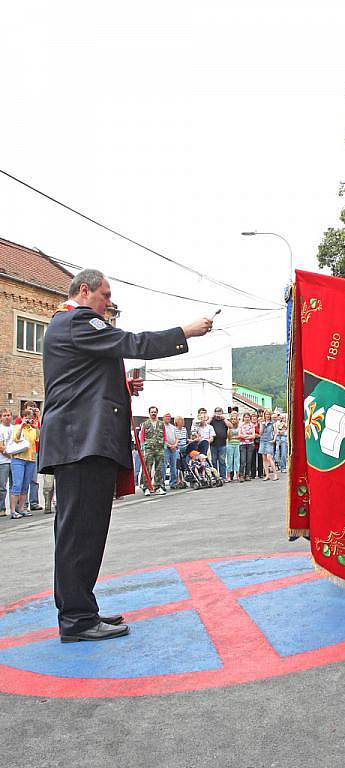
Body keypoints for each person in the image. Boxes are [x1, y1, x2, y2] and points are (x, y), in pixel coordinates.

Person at [39, 268, 212, 642]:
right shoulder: (78, 320)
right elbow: (133, 343)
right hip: (80, 444)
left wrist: (121, 384)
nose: (108, 305)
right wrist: (185, 331)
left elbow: (83, 380)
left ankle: (81, 609)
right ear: (84, 291)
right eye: (105, 296)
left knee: (81, 531)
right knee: (80, 533)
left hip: (79, 442)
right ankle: (77, 619)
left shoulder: (70, 325)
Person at [9, 407, 40, 518]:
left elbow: (38, 440)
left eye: (30, 418)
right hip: (18, 458)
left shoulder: (32, 429)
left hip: (30, 459)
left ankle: (22, 508)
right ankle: (13, 510)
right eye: (26, 417)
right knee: (17, 484)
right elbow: (16, 439)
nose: (28, 420)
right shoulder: (17, 427)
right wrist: (22, 426)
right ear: (22, 418)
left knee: (25, 485)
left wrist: (36, 427)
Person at [140, 407, 166, 496]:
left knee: (159, 468)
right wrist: (143, 445)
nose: (153, 413)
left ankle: (158, 487)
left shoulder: (161, 424)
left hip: (159, 448)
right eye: (152, 412)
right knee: (147, 468)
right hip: (149, 448)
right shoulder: (145, 424)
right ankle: (146, 487)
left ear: (157, 413)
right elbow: (142, 435)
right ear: (149, 413)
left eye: (155, 412)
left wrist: (165, 444)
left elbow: (164, 434)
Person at [209, 406, 230, 481]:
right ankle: (215, 476)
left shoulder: (224, 420)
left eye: (219, 412)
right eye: (217, 412)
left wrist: (224, 418)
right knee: (214, 461)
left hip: (222, 444)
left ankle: (223, 477)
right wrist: (212, 417)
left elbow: (230, 426)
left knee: (222, 461)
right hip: (213, 444)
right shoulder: (212, 420)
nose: (218, 414)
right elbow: (206, 424)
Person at [0, 408, 13, 516]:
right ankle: (1, 508)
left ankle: (15, 508)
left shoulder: (14, 428)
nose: (7, 417)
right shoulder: (0, 429)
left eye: (8, 415)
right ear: (1, 418)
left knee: (14, 486)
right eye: (4, 415)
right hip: (3, 461)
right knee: (2, 486)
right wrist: (10, 454)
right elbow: (1, 446)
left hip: (14, 461)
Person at [259, 409, 278, 480]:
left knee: (269, 457)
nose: (267, 416)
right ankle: (267, 475)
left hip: (269, 441)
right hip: (262, 440)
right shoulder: (262, 422)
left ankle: (275, 474)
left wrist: (274, 439)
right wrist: (262, 424)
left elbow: (276, 432)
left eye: (268, 414)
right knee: (264, 458)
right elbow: (260, 432)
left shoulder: (273, 423)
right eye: (266, 414)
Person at [162, 412, 179, 490]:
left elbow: (177, 437)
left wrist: (175, 445)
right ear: (163, 417)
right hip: (165, 448)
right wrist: (169, 445)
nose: (168, 418)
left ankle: (173, 483)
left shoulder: (173, 427)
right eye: (166, 416)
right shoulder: (161, 427)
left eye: (169, 417)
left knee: (174, 466)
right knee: (164, 466)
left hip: (174, 448)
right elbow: (161, 438)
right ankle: (161, 484)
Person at [238, 412, 255, 482]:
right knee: (243, 460)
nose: (247, 419)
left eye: (248, 417)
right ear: (243, 418)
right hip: (242, 444)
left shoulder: (252, 425)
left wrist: (245, 436)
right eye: (245, 417)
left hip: (250, 444)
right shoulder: (241, 425)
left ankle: (247, 474)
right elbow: (239, 435)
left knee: (249, 460)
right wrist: (248, 436)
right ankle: (241, 475)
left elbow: (253, 436)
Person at [226, 411, 241, 481]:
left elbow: (240, 436)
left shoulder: (239, 426)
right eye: (232, 419)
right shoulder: (229, 427)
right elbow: (228, 437)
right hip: (230, 444)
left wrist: (236, 437)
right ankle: (228, 475)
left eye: (235, 419)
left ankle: (237, 475)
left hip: (237, 444)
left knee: (237, 460)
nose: (233, 420)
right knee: (229, 460)